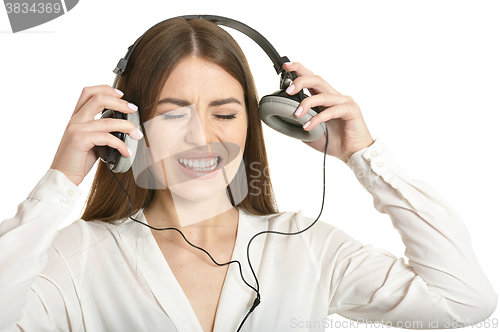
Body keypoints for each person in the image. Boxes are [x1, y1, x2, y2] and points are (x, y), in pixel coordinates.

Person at [0, 17, 497, 332]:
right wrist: (59, 182)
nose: (201, 137)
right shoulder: (74, 257)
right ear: (131, 129)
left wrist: (363, 155)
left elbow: (463, 302)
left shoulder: (307, 247)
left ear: (254, 123)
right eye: (173, 113)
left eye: (224, 112)